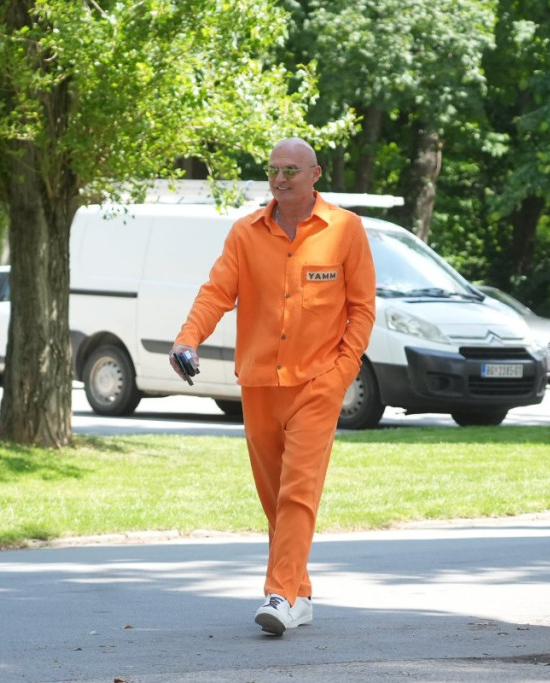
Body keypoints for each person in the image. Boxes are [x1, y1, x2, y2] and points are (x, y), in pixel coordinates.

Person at [169, 137, 377, 636]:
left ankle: (279, 594)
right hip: (260, 383)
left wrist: (341, 372)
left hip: (318, 383)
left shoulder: (345, 229)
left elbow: (362, 309)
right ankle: (300, 594)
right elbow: (216, 293)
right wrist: (188, 339)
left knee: (298, 491)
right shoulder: (245, 234)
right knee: (274, 498)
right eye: (273, 170)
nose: (280, 179)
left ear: (315, 174)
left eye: (290, 170)